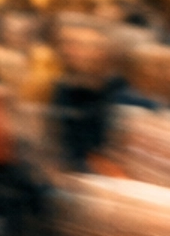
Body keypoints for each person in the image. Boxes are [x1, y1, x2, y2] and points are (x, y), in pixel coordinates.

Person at [47, 17, 146, 172]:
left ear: (102, 52)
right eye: (66, 44)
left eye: (80, 46)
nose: (70, 52)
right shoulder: (63, 90)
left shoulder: (125, 97)